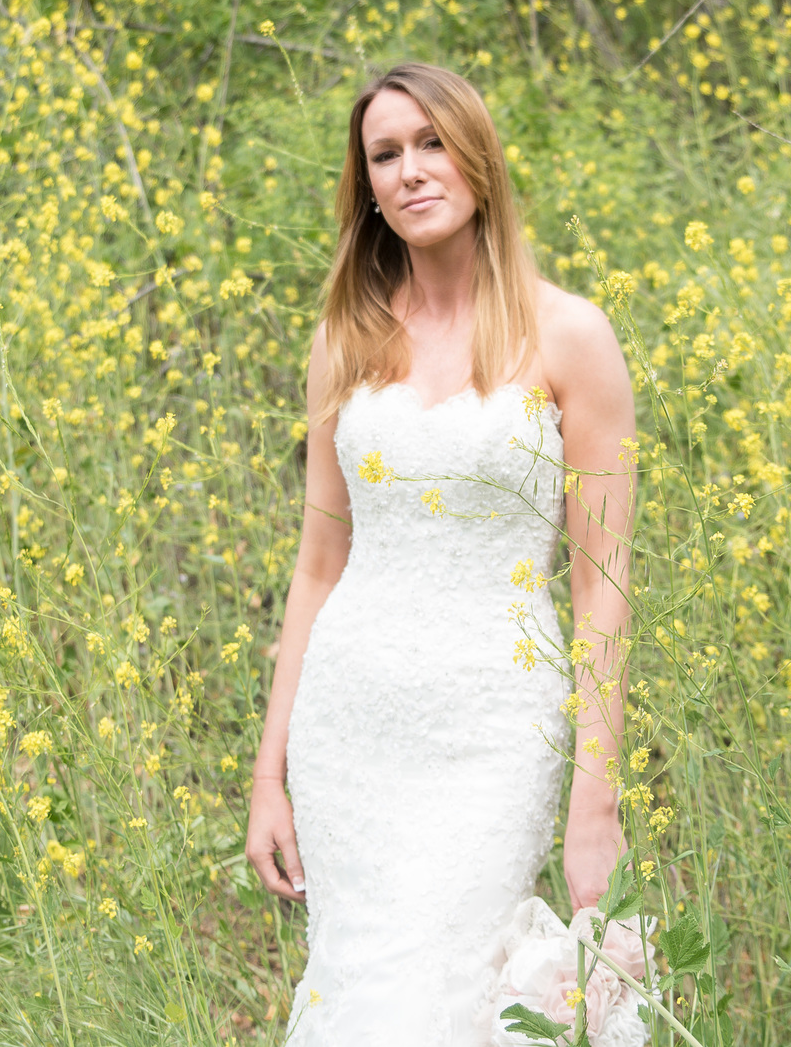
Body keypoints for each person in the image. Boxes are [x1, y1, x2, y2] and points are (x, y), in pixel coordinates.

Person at [244, 61, 640, 1045]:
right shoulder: (344, 338)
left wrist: (595, 798)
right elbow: (317, 564)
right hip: (350, 730)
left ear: (479, 158)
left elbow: (601, 585)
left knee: (444, 990)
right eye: (385, 154)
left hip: (494, 730)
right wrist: (269, 773)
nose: (411, 169)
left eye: (431, 143)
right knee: (362, 993)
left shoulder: (571, 335)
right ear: (368, 188)